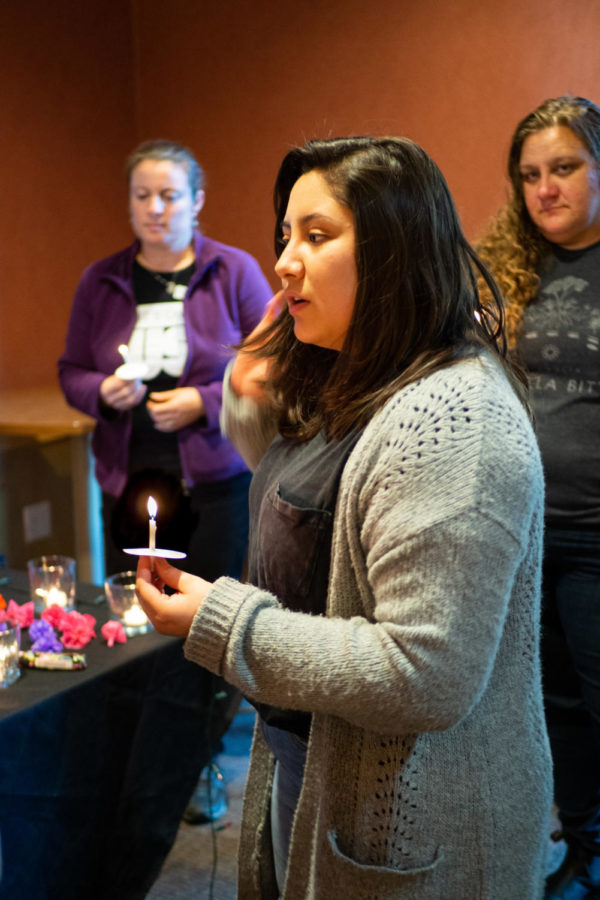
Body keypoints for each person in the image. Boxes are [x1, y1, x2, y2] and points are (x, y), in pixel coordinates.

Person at [136, 136, 553, 899]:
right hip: (314, 768)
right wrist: (249, 385)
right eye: (284, 237)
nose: (286, 262)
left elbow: (425, 674)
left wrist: (225, 624)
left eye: (316, 236)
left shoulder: (457, 416)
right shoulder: (360, 373)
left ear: (394, 252)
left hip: (412, 821)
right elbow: (315, 506)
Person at [58, 140, 272, 832]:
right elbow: (70, 372)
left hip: (214, 481)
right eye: (143, 196)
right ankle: (143, 764)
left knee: (210, 626)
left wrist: (206, 403)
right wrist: (102, 391)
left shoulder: (233, 271)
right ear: (129, 204)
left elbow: (274, 368)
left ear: (197, 202)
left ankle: (196, 765)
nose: (156, 208)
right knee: (143, 626)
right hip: (130, 482)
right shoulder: (102, 280)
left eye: (170, 195)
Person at [477, 96, 600, 899]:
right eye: (530, 174)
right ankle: (584, 849)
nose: (545, 188)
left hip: (597, 535)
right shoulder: (505, 266)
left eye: (564, 168)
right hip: (525, 530)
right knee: (550, 701)